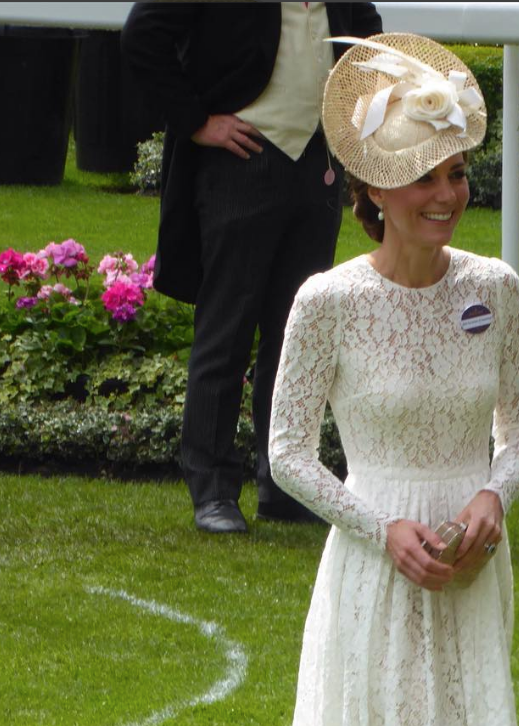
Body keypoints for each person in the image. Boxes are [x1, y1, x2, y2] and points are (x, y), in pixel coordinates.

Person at [257, 34, 519, 726]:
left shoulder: (493, 288)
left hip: (470, 567)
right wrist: (379, 526)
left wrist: (493, 496)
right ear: (373, 190)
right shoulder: (328, 302)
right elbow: (287, 451)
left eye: (457, 174)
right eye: (426, 178)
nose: (447, 196)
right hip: (372, 572)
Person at [120, 2, 382, 533]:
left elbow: (370, 38)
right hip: (240, 161)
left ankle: (283, 484)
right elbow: (141, 36)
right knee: (227, 330)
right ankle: (213, 488)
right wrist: (197, 122)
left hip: (317, 168)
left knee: (297, 337)